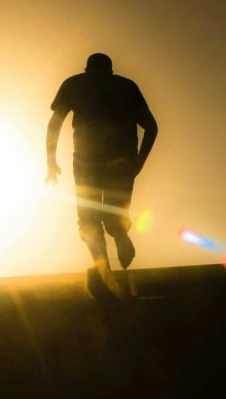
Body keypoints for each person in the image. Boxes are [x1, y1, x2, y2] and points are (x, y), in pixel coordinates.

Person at [45, 52, 158, 295]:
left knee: (89, 218)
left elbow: (55, 123)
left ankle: (104, 269)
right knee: (115, 214)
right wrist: (139, 162)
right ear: (111, 70)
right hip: (123, 159)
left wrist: (50, 161)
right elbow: (152, 126)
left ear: (87, 69)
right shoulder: (127, 86)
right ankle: (119, 231)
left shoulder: (74, 83)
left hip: (88, 159)